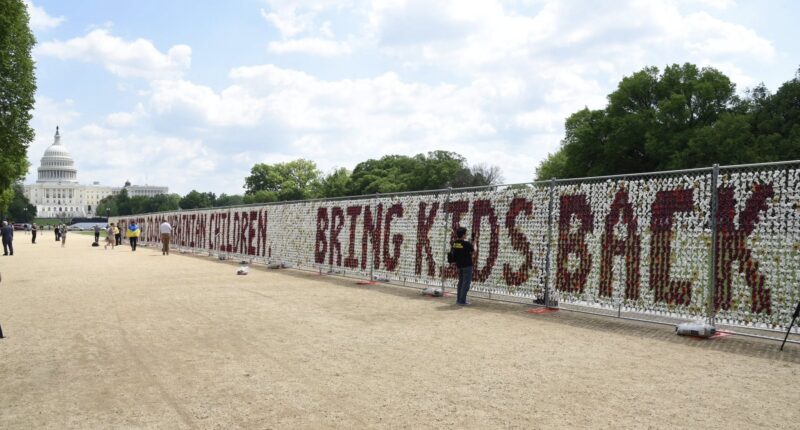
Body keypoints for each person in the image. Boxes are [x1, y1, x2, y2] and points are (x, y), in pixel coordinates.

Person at [448, 226, 474, 305]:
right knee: (466, 283)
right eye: (465, 234)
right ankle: (462, 301)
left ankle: (459, 300)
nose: (466, 235)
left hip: (459, 265)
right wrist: (474, 243)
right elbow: (473, 251)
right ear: (463, 235)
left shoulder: (455, 243)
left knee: (461, 282)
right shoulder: (466, 244)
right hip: (467, 265)